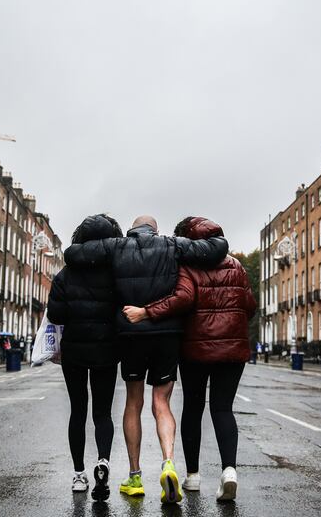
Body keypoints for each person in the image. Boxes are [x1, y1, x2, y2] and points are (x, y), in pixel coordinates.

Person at [65, 215, 228, 504]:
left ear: (132, 229)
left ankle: (135, 476)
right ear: (155, 230)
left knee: (133, 403)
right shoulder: (171, 245)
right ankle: (168, 462)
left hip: (130, 334)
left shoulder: (116, 246)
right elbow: (217, 247)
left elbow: (73, 254)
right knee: (161, 403)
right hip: (167, 334)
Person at [122, 217, 256, 502]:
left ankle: (193, 477)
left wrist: (147, 312)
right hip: (233, 349)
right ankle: (229, 471)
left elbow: (183, 299)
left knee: (193, 409)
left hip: (196, 349)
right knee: (223, 409)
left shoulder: (188, 266)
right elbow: (250, 305)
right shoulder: (237, 266)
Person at [47, 214, 124, 502]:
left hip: (74, 352)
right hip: (106, 350)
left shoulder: (65, 274)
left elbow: (55, 315)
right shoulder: (115, 272)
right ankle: (103, 462)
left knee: (78, 411)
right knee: (103, 413)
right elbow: (124, 308)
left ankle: (79, 475)